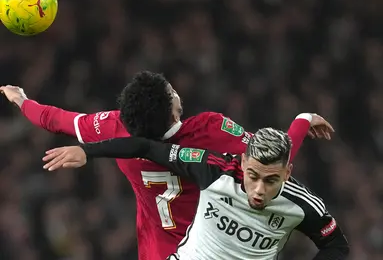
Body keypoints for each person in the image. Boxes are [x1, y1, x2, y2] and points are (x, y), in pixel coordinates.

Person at [1, 72, 333, 260]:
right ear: (172, 112)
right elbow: (268, 155)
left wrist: (21, 100)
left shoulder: (114, 127)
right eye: (171, 91)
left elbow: (54, 119)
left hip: (155, 252)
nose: (176, 91)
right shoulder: (210, 129)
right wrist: (301, 122)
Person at [41, 121, 347, 259]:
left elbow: (336, 246)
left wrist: (303, 120)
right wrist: (88, 152)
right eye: (252, 175)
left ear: (287, 173)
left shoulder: (302, 206)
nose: (257, 189)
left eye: (271, 181)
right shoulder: (212, 169)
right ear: (243, 161)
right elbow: (147, 147)